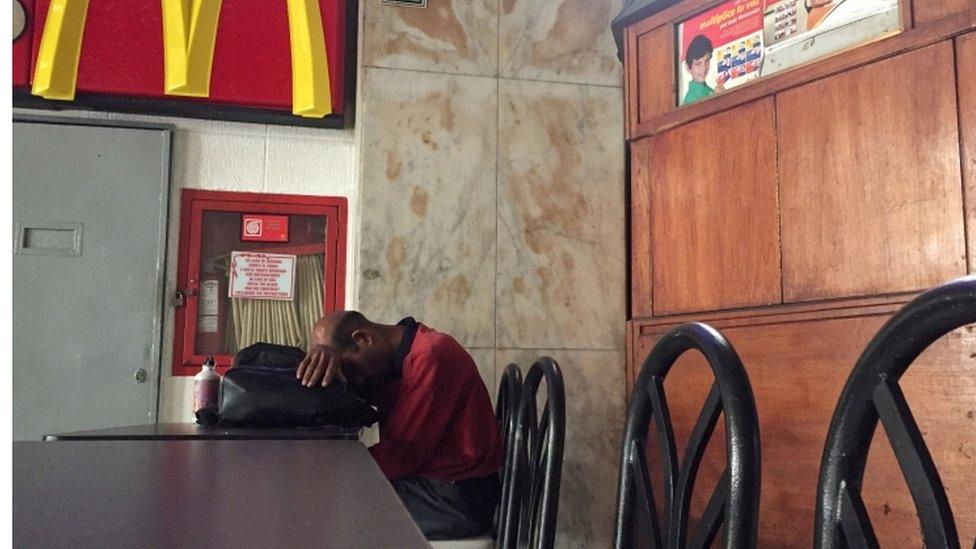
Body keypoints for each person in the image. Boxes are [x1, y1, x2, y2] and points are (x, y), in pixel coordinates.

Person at [297, 311, 503, 540]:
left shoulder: (431, 354)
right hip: (427, 482)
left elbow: (402, 453)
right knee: (318, 500)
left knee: (323, 512)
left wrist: (329, 476)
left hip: (455, 497)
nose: (354, 379)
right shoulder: (393, 363)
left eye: (349, 368)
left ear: (363, 339)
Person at [682, 34, 726, 106]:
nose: (704, 68)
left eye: (707, 61)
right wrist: (722, 99)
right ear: (688, 68)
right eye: (698, 63)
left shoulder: (707, 89)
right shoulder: (691, 100)